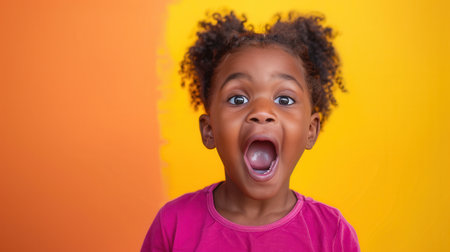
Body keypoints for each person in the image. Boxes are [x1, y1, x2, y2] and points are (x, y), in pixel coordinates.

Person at [142, 11, 360, 252]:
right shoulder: (172, 225)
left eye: (285, 100)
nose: (262, 112)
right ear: (209, 129)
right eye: (237, 98)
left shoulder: (332, 234)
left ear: (310, 130)